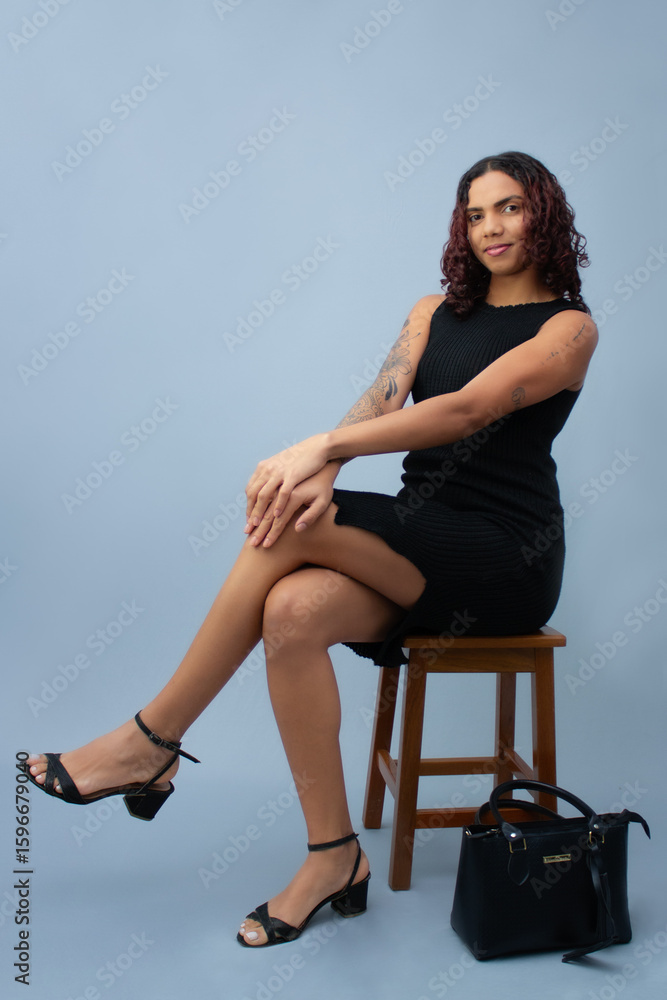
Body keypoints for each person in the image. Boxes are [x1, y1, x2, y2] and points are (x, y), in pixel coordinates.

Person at [25, 151, 597, 948]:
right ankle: (333, 857)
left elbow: (466, 410)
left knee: (292, 519)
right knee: (290, 610)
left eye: (508, 207)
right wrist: (323, 465)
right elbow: (382, 398)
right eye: (474, 214)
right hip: (418, 537)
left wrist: (317, 449)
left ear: (543, 211)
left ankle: (149, 741)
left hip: (506, 554)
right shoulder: (431, 312)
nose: (490, 228)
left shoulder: (569, 328)